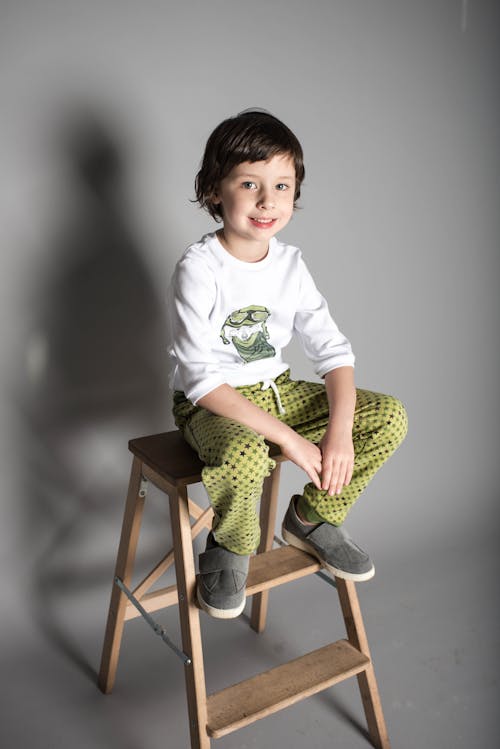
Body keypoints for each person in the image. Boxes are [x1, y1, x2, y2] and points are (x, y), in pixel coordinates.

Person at [168, 109, 407, 619]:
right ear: (215, 189)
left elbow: (334, 353)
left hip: (276, 389)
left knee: (387, 416)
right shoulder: (199, 269)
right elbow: (202, 381)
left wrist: (338, 432)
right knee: (247, 456)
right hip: (210, 405)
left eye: (282, 185)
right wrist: (292, 441)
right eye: (249, 183)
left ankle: (314, 518)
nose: (267, 201)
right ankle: (230, 546)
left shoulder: (290, 265)